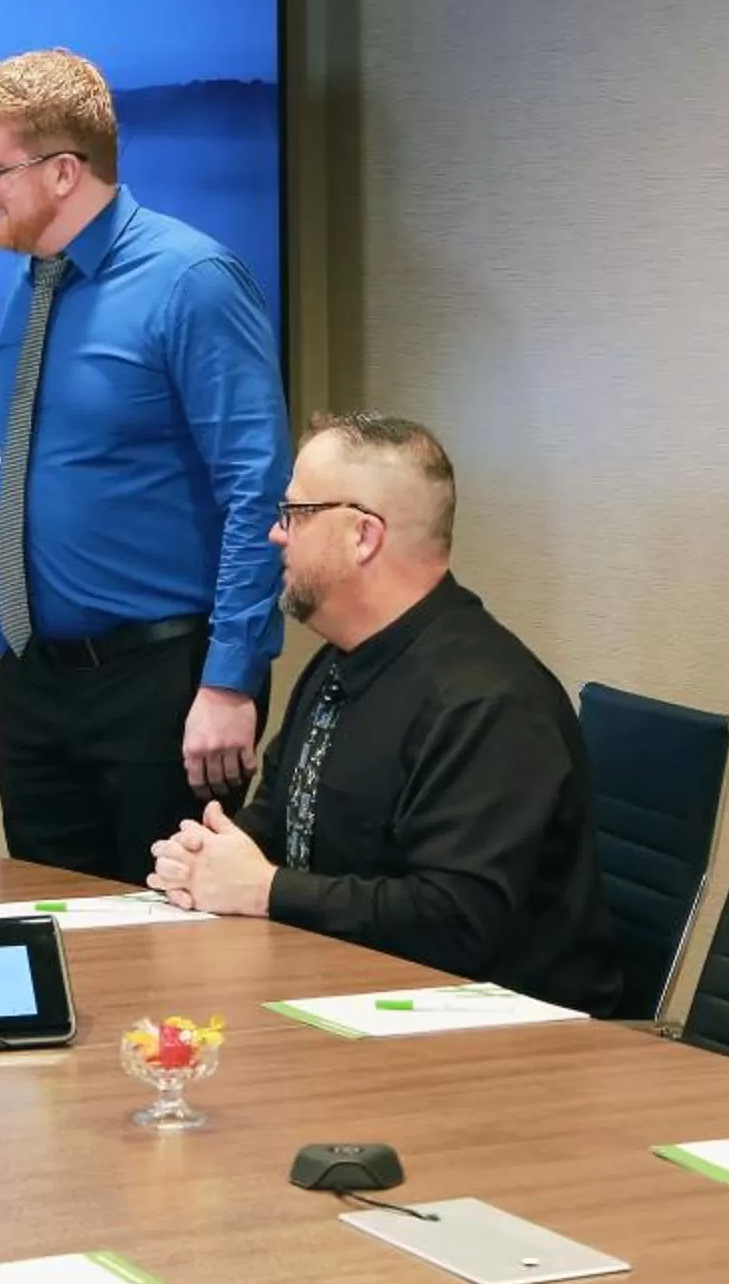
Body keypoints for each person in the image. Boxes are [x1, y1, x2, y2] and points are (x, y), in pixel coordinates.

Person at [145, 412, 620, 1013]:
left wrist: (265, 889)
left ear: (363, 535)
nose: (276, 534)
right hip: (351, 996)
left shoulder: (489, 702)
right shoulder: (339, 663)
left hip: (499, 1041)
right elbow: (283, 819)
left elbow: (455, 920)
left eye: (295, 513)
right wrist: (212, 853)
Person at [0, 48, 287, 884]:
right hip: (37, 683)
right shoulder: (36, 285)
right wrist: (11, 651)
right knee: (51, 933)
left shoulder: (192, 282)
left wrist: (230, 679)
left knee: (171, 948)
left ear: (63, 171)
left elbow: (257, 490)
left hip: (165, 685)